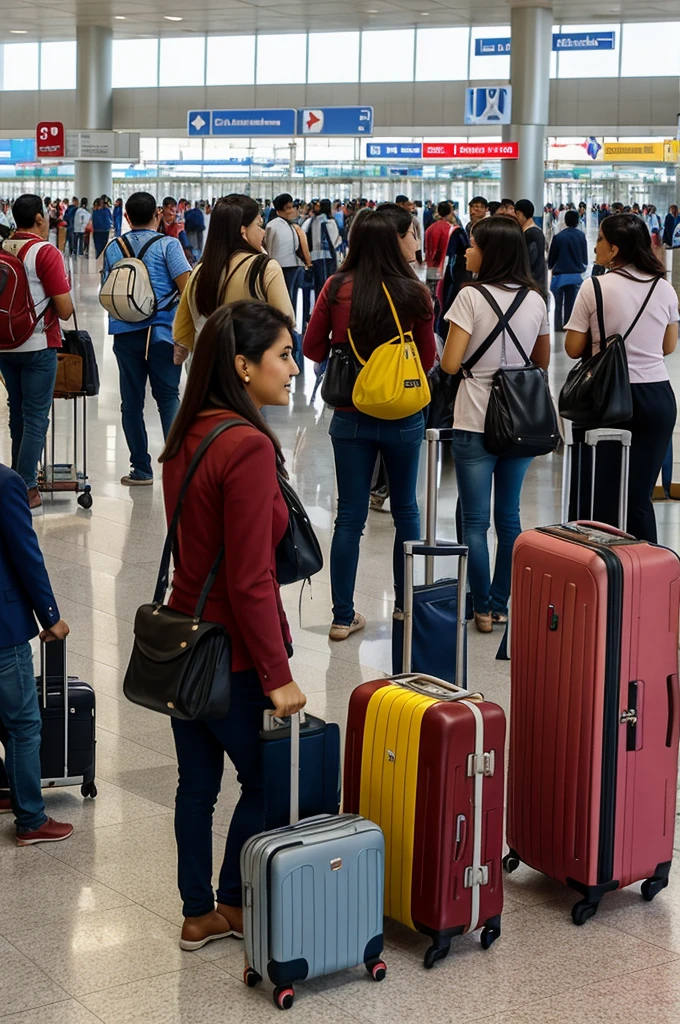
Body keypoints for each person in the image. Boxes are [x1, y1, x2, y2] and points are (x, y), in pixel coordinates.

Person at [159, 301, 306, 951]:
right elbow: (249, 580)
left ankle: (198, 913)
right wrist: (278, 678)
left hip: (180, 638)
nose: (295, 367)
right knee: (267, 780)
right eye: (282, 354)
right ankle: (234, 901)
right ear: (243, 366)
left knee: (197, 784)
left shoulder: (185, 433)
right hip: (233, 654)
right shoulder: (244, 446)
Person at [303, 204, 436, 641]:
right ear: (394, 241)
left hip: (350, 416)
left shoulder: (337, 286)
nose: (413, 240)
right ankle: (404, 607)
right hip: (403, 416)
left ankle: (343, 616)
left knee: (349, 517)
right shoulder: (415, 294)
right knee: (407, 510)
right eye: (409, 234)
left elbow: (312, 349)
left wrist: (346, 346)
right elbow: (428, 358)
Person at [440, 216, 550, 633]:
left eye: (473, 245)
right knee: (509, 518)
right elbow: (539, 362)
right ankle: (501, 604)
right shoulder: (536, 300)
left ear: (491, 253)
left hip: (474, 416)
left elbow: (450, 363)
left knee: (474, 521)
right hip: (520, 418)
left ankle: (481, 606)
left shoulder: (470, 296)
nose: (467, 251)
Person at [565, 213, 678, 543]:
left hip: (605, 396)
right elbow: (668, 346)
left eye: (600, 239)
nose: (596, 246)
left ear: (614, 250)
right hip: (656, 397)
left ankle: (600, 577)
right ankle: (647, 578)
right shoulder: (664, 287)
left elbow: (573, 348)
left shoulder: (594, 287)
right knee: (638, 498)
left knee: (598, 496)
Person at [0, 462, 73, 844]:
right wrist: (50, 617)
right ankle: (30, 818)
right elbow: (27, 556)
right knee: (23, 724)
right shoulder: (5, 483)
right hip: (3, 628)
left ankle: (2, 790)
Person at [101, 191, 191, 486]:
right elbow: (187, 289)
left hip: (126, 335)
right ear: (157, 214)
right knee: (168, 398)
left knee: (131, 403)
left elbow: (108, 289)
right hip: (163, 333)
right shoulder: (169, 245)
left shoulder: (114, 247)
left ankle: (141, 469)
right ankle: (178, 468)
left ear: (126, 217)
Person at [0, 195, 74, 510]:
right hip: (37, 344)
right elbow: (66, 310)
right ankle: (26, 485)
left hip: (4, 344)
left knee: (17, 412)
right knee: (35, 416)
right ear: (41, 218)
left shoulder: (3, 247)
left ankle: (15, 481)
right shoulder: (44, 252)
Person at [174, 194, 295, 361]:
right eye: (259, 225)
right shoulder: (265, 269)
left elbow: (184, 325)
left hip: (206, 368)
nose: (263, 232)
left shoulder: (200, 271)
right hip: (250, 370)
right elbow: (286, 320)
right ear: (243, 231)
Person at [264, 192, 312, 310]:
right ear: (279, 210)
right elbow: (268, 248)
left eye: (292, 207)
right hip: (280, 267)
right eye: (288, 208)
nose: (291, 211)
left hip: (295, 266)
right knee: (284, 298)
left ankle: (292, 321)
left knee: (293, 297)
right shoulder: (272, 226)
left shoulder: (292, 226)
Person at [548, 208, 588, 331]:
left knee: (558, 305)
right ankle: (568, 326)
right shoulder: (581, 236)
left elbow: (551, 260)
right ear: (577, 222)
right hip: (575, 276)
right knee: (571, 303)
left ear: (565, 221)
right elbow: (584, 258)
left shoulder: (558, 237)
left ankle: (558, 327)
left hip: (559, 276)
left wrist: (551, 266)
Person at [304, 198, 341, 298]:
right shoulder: (330, 222)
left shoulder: (311, 221)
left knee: (318, 286)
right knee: (328, 286)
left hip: (314, 257)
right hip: (328, 258)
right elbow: (335, 242)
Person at [514, 199, 547, 292]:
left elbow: (531, 261)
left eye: (516, 213)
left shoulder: (531, 233)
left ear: (521, 213)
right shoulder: (534, 231)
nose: (515, 217)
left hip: (533, 283)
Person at [395, 195, 422, 264]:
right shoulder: (411, 219)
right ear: (401, 204)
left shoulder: (388, 217)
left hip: (394, 255)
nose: (409, 207)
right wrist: (419, 256)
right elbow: (417, 237)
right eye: (408, 204)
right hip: (409, 256)